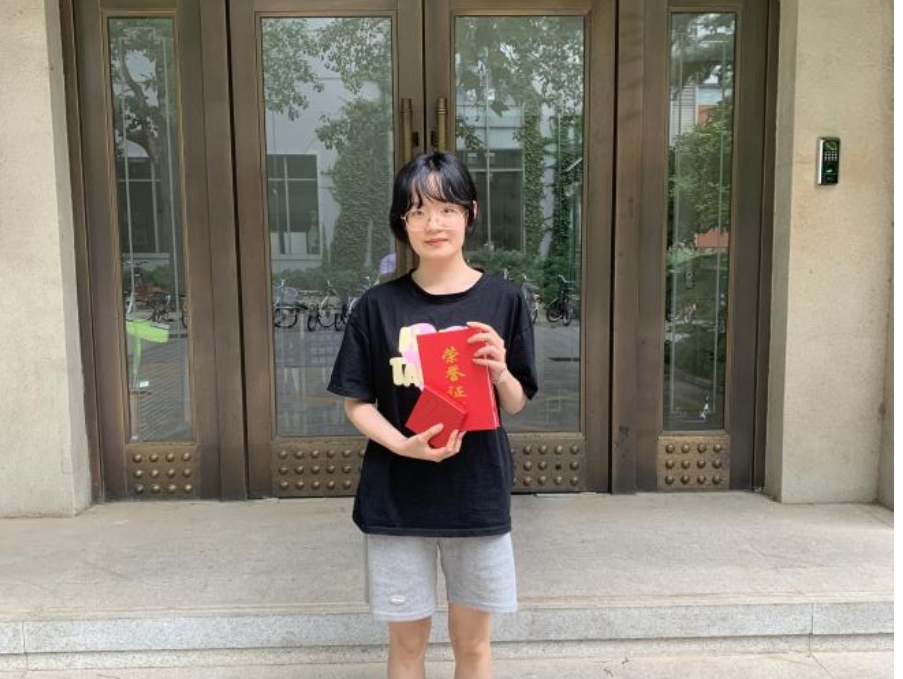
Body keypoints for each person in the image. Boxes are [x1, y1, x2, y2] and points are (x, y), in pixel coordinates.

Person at [327, 151, 538, 679]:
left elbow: (515, 402)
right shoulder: (377, 307)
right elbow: (357, 401)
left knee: (473, 645)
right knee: (407, 647)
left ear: (471, 213)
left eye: (446, 209)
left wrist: (500, 372)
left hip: (477, 496)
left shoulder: (504, 300)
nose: (433, 224)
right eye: (417, 211)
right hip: (398, 500)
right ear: (402, 222)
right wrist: (403, 445)